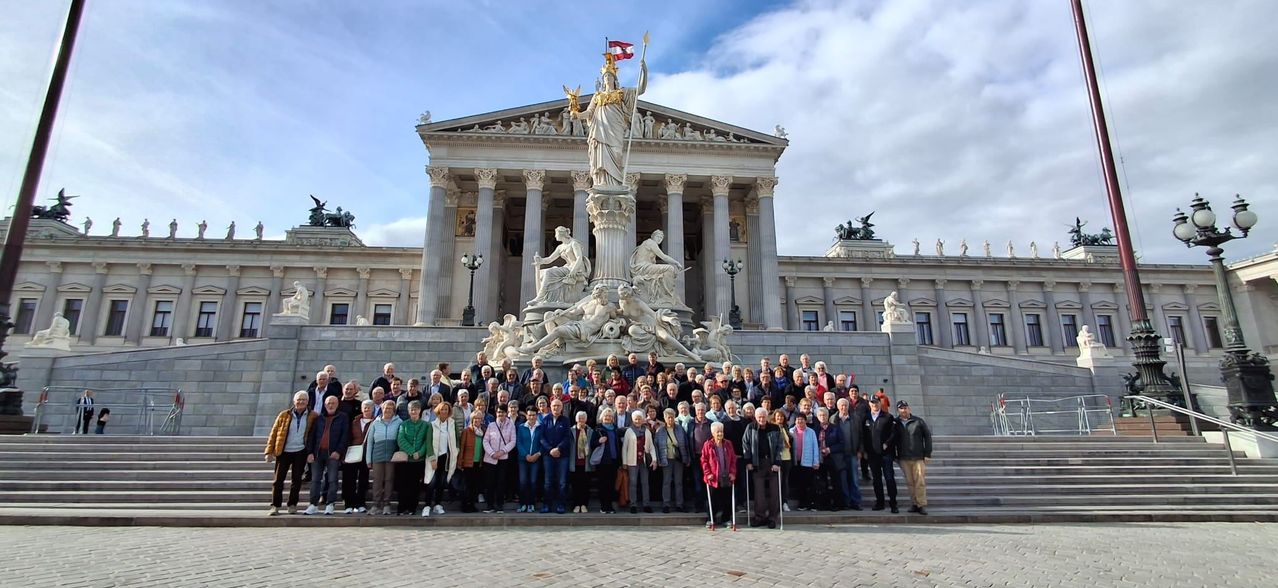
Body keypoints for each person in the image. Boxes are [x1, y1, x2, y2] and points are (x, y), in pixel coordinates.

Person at [265, 391, 316, 515]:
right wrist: (269, 451)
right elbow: (274, 433)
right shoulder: (284, 415)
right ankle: (275, 506)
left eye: (304, 400)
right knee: (278, 480)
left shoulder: (313, 416)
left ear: (307, 402)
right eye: (299, 399)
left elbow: (315, 436)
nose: (301, 402)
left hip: (300, 452)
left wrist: (311, 452)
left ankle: (292, 504)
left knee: (296, 480)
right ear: (294, 401)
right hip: (283, 451)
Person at [305, 396, 350, 515]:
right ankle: (313, 504)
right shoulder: (319, 418)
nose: (331, 405)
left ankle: (330, 504)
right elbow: (312, 436)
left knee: (332, 479)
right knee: (315, 480)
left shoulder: (343, 417)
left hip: (333, 454)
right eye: (328, 403)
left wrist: (339, 451)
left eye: (333, 403)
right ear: (325, 405)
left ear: (337, 404)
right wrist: (310, 452)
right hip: (318, 453)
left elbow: (345, 436)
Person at [743, 407, 781, 528]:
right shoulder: (750, 427)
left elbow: (780, 446)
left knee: (774, 491)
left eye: (763, 417)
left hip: (771, 463)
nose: (761, 419)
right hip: (757, 463)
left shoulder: (775, 428)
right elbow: (746, 444)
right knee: (759, 492)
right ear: (755, 417)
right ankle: (760, 516)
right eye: (759, 417)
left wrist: (777, 463)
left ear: (767, 417)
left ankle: (772, 518)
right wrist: (748, 461)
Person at [895, 401, 933, 515]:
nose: (904, 410)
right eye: (901, 409)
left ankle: (921, 504)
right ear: (898, 410)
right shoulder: (895, 422)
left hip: (918, 457)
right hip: (904, 457)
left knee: (919, 481)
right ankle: (914, 503)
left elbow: (927, 437)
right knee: (910, 482)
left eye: (905, 408)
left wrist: (927, 454)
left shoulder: (918, 421)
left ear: (909, 409)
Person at [396, 400, 433, 516]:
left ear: (419, 411)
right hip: (406, 459)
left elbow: (427, 442)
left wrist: (420, 453)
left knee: (415, 485)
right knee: (403, 484)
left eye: (416, 409)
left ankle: (412, 508)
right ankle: (402, 507)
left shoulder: (426, 425)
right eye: (411, 409)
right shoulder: (404, 424)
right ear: (408, 411)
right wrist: (412, 452)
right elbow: (401, 440)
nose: (414, 412)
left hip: (419, 460)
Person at [700, 421, 737, 528]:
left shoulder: (728, 444)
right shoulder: (708, 445)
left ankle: (726, 518)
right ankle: (711, 518)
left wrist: (733, 472)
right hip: (713, 477)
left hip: (726, 476)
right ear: (713, 433)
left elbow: (733, 460)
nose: (720, 434)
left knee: (727, 499)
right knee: (712, 499)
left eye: (721, 432)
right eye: (718, 432)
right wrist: (708, 474)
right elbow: (704, 460)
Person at [366, 399, 400, 515]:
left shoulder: (398, 421)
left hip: (391, 456)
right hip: (377, 455)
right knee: (377, 481)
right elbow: (370, 442)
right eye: (386, 408)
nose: (387, 410)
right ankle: (376, 504)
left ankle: (387, 504)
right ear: (382, 409)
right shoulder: (375, 422)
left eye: (390, 408)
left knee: (389, 480)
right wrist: (368, 459)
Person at [865, 398, 899, 513]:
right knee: (876, 479)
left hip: (886, 454)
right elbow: (863, 436)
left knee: (889, 478)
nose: (874, 405)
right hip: (873, 454)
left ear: (880, 403)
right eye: (872, 403)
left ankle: (893, 503)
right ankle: (880, 502)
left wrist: (887, 444)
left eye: (876, 402)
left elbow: (894, 433)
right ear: (869, 404)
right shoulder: (866, 418)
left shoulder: (888, 417)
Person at [539, 398, 573, 513]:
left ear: (562, 408)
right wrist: (550, 450)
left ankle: (561, 505)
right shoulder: (545, 420)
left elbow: (567, 437)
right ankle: (546, 505)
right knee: (548, 481)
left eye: (558, 406)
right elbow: (542, 438)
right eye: (554, 406)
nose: (556, 408)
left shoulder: (565, 420)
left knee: (562, 481)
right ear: (550, 407)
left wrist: (558, 448)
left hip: (562, 455)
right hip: (548, 455)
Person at [830, 398, 864, 510]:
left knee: (854, 479)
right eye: (842, 406)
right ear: (838, 407)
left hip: (852, 453)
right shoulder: (833, 419)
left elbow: (861, 436)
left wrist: (860, 450)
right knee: (842, 480)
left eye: (845, 405)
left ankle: (856, 502)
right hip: (839, 455)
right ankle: (846, 502)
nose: (844, 408)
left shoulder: (855, 419)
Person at [342, 399, 375, 513]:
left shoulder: (375, 422)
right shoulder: (354, 421)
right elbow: (347, 436)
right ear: (361, 409)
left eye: (369, 407)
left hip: (366, 454)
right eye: (364, 407)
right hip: (352, 452)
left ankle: (360, 503)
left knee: (363, 480)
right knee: (349, 479)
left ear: (373, 409)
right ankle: (348, 504)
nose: (366, 409)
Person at [622, 410, 658, 514]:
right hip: (632, 461)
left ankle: (646, 504)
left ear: (643, 419)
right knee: (633, 483)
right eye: (635, 419)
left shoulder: (647, 431)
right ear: (633, 420)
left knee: (645, 483)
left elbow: (651, 446)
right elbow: (625, 448)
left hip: (644, 460)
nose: (638, 421)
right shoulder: (629, 431)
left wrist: (654, 460)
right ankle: (633, 505)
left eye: (639, 419)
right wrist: (624, 462)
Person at [655, 408, 689, 513]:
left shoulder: (680, 429)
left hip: (678, 459)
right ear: (664, 418)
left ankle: (679, 504)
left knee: (678, 482)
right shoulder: (660, 431)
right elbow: (656, 446)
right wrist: (658, 459)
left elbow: (686, 444)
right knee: (666, 481)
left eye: (672, 417)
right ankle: (666, 504)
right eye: (668, 417)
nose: (670, 419)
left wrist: (687, 458)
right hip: (666, 459)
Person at [483, 405, 515, 513]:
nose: (500, 414)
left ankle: (499, 504)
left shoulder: (511, 425)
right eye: (498, 412)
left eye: (502, 412)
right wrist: (492, 453)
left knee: (501, 482)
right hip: (490, 458)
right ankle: (490, 505)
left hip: (503, 458)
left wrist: (502, 451)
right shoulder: (491, 425)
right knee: (489, 482)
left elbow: (512, 441)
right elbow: (485, 441)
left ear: (506, 413)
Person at [426, 402, 458, 515]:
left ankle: (438, 504)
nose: (444, 411)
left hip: (446, 457)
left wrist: (456, 450)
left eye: (446, 409)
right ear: (438, 411)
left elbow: (456, 439)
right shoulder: (432, 424)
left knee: (441, 482)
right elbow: (428, 442)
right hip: (434, 457)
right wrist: (432, 458)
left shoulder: (452, 424)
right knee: (431, 481)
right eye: (442, 409)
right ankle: (427, 505)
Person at [567, 410, 597, 513]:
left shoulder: (590, 431)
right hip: (574, 462)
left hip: (586, 463)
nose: (581, 420)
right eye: (579, 418)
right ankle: (576, 504)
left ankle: (584, 504)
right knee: (575, 485)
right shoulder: (571, 431)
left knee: (585, 485)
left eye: (583, 418)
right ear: (576, 420)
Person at [789, 412, 820, 511]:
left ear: (805, 420)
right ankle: (802, 504)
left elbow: (815, 447)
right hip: (796, 462)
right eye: (798, 420)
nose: (800, 421)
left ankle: (812, 504)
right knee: (800, 485)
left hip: (808, 462)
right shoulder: (791, 431)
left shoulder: (811, 432)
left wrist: (816, 461)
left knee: (810, 484)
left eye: (802, 419)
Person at [457, 411, 486, 513]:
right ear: (472, 419)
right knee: (467, 486)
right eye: (475, 418)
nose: (477, 420)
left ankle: (472, 505)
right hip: (468, 462)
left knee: (475, 486)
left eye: (479, 418)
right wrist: (460, 462)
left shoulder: (483, 431)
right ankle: (465, 505)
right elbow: (462, 447)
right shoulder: (467, 431)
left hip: (478, 462)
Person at [593, 408, 621, 513]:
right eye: (606, 416)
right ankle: (603, 506)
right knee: (603, 484)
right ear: (602, 417)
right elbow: (592, 444)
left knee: (611, 484)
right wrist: (598, 441)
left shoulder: (615, 429)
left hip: (613, 461)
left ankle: (609, 506)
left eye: (610, 416)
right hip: (602, 461)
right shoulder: (598, 429)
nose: (608, 418)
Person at [515, 408, 543, 512]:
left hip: (536, 458)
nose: (531, 417)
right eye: (530, 415)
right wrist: (525, 455)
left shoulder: (540, 427)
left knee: (533, 481)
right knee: (523, 481)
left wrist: (538, 454)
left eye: (534, 415)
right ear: (526, 416)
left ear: (537, 416)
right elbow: (519, 442)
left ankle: (531, 503)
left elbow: (543, 442)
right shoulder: (521, 427)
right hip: (523, 459)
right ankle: (523, 504)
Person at [770, 409, 793, 512]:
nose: (780, 418)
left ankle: (784, 502)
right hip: (777, 459)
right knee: (777, 482)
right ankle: (776, 503)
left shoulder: (784, 428)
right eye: (778, 416)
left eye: (782, 417)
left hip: (787, 458)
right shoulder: (772, 429)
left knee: (785, 482)